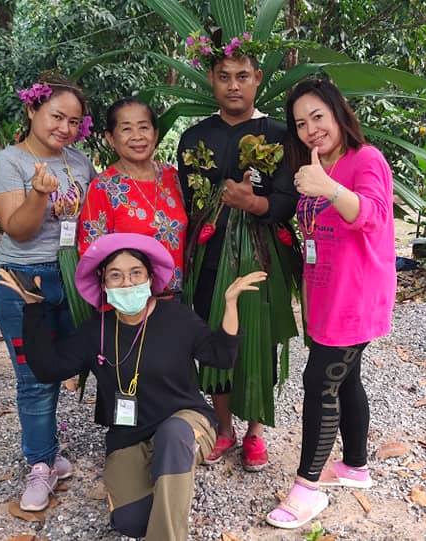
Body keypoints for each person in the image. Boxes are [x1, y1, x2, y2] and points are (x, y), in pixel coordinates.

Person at [0, 233, 266, 540]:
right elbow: (49, 369)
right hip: (129, 435)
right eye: (116, 275)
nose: (127, 283)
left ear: (150, 278)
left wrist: (230, 305)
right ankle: (165, 480)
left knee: (173, 436)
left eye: (135, 273)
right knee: (131, 522)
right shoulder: (96, 331)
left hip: (187, 423)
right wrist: (34, 310)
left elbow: (220, 357)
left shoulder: (177, 317)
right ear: (103, 284)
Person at [266, 78, 396, 529]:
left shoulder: (366, 159)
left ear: (339, 113)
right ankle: (355, 466)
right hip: (325, 293)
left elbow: (374, 215)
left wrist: (328, 187)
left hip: (356, 296)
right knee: (346, 378)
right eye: (301, 124)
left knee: (320, 381)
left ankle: (306, 490)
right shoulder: (315, 164)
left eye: (317, 117)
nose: (310, 130)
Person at [177, 37, 300, 471]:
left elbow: (288, 200)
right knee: (216, 339)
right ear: (211, 80)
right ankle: (225, 428)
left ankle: (255, 433)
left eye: (242, 76)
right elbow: (187, 204)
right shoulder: (194, 137)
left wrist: (256, 204)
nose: (234, 85)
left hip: (263, 258)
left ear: (257, 79)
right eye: (224, 77)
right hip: (209, 258)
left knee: (259, 341)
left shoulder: (279, 136)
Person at [0, 74, 94, 511]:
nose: (64, 128)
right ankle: (39, 464)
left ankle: (51, 452)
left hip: (72, 276)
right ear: (32, 109)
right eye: (56, 116)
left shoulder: (80, 163)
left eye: (74, 121)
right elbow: (19, 229)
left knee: (71, 364)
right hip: (22, 280)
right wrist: (37, 194)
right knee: (34, 377)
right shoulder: (8, 162)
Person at [78, 98, 187, 293]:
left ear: (155, 134)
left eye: (144, 127)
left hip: (177, 296)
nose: (137, 136)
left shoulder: (172, 176)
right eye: (126, 129)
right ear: (111, 138)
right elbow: (92, 254)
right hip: (130, 299)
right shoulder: (103, 187)